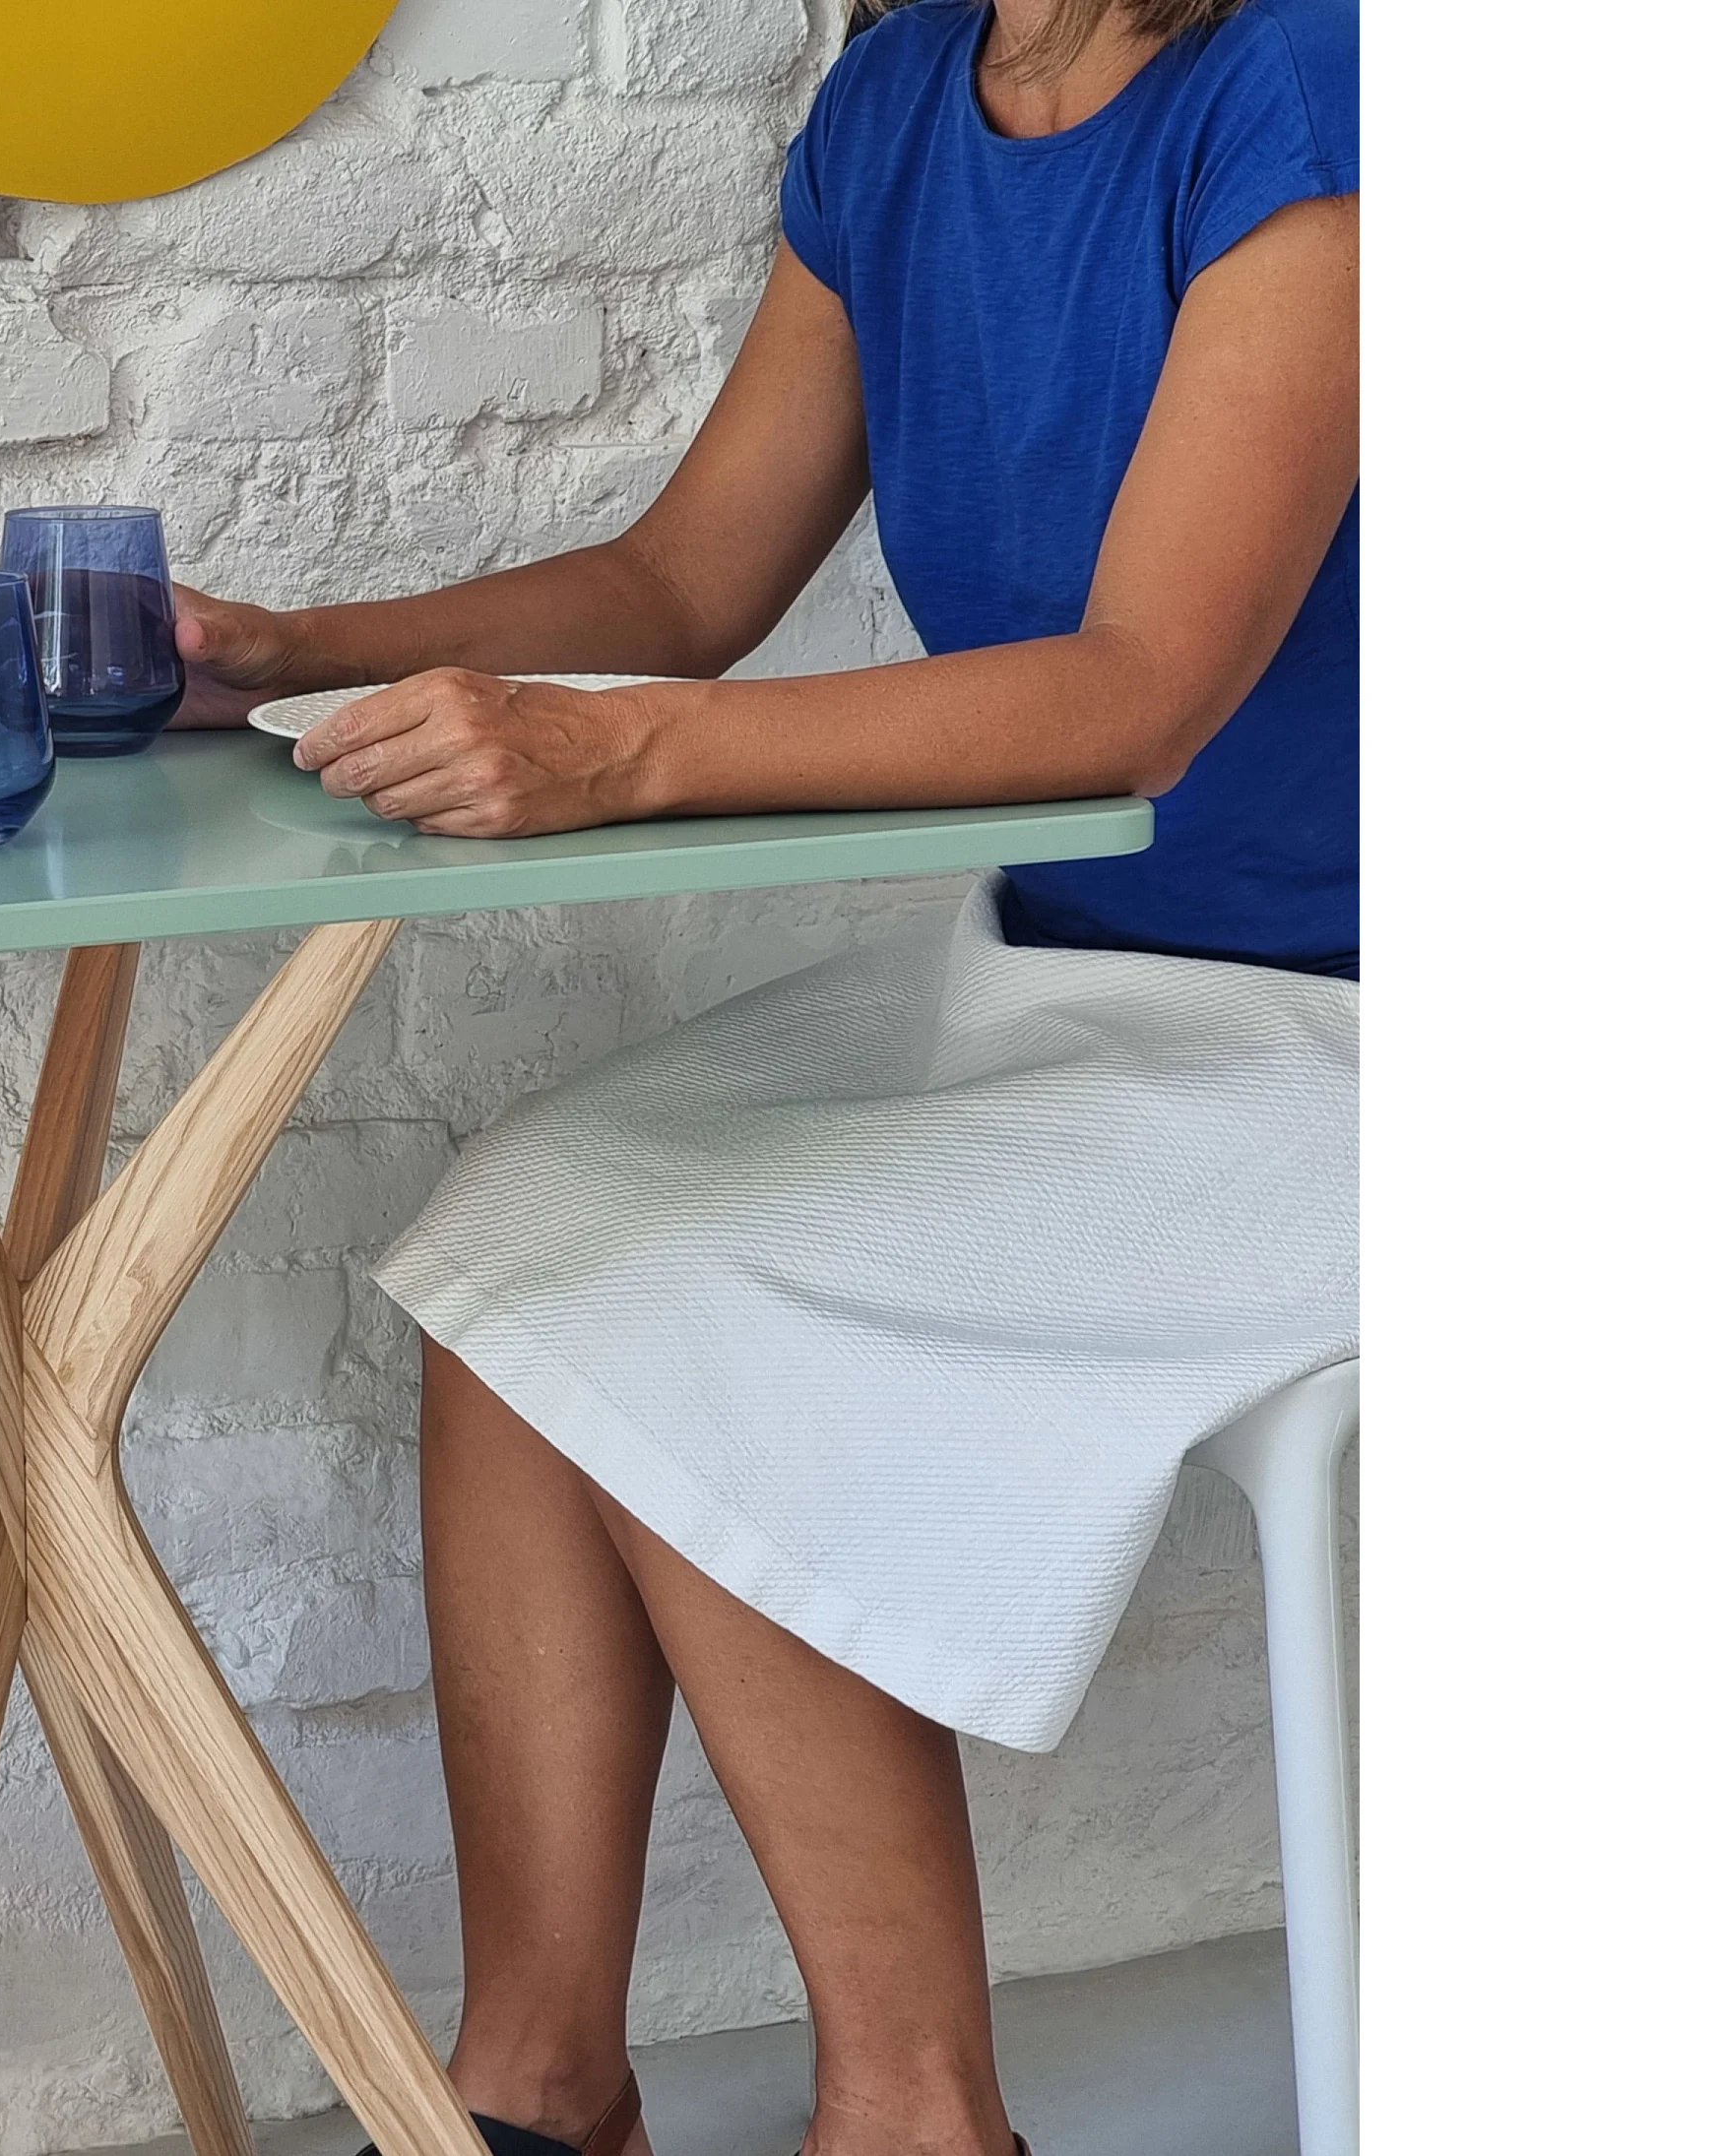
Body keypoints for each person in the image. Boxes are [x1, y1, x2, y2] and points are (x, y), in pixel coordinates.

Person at [168, 3, 1360, 2153]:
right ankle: (539, 2091)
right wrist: (302, 650)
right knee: (524, 1243)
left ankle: (916, 2116)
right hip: (1083, 980)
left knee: (692, 1289)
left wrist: (615, 752)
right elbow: (682, 582)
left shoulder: (1314, 81)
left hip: (1386, 1039)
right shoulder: (898, 103)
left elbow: (1141, 695)